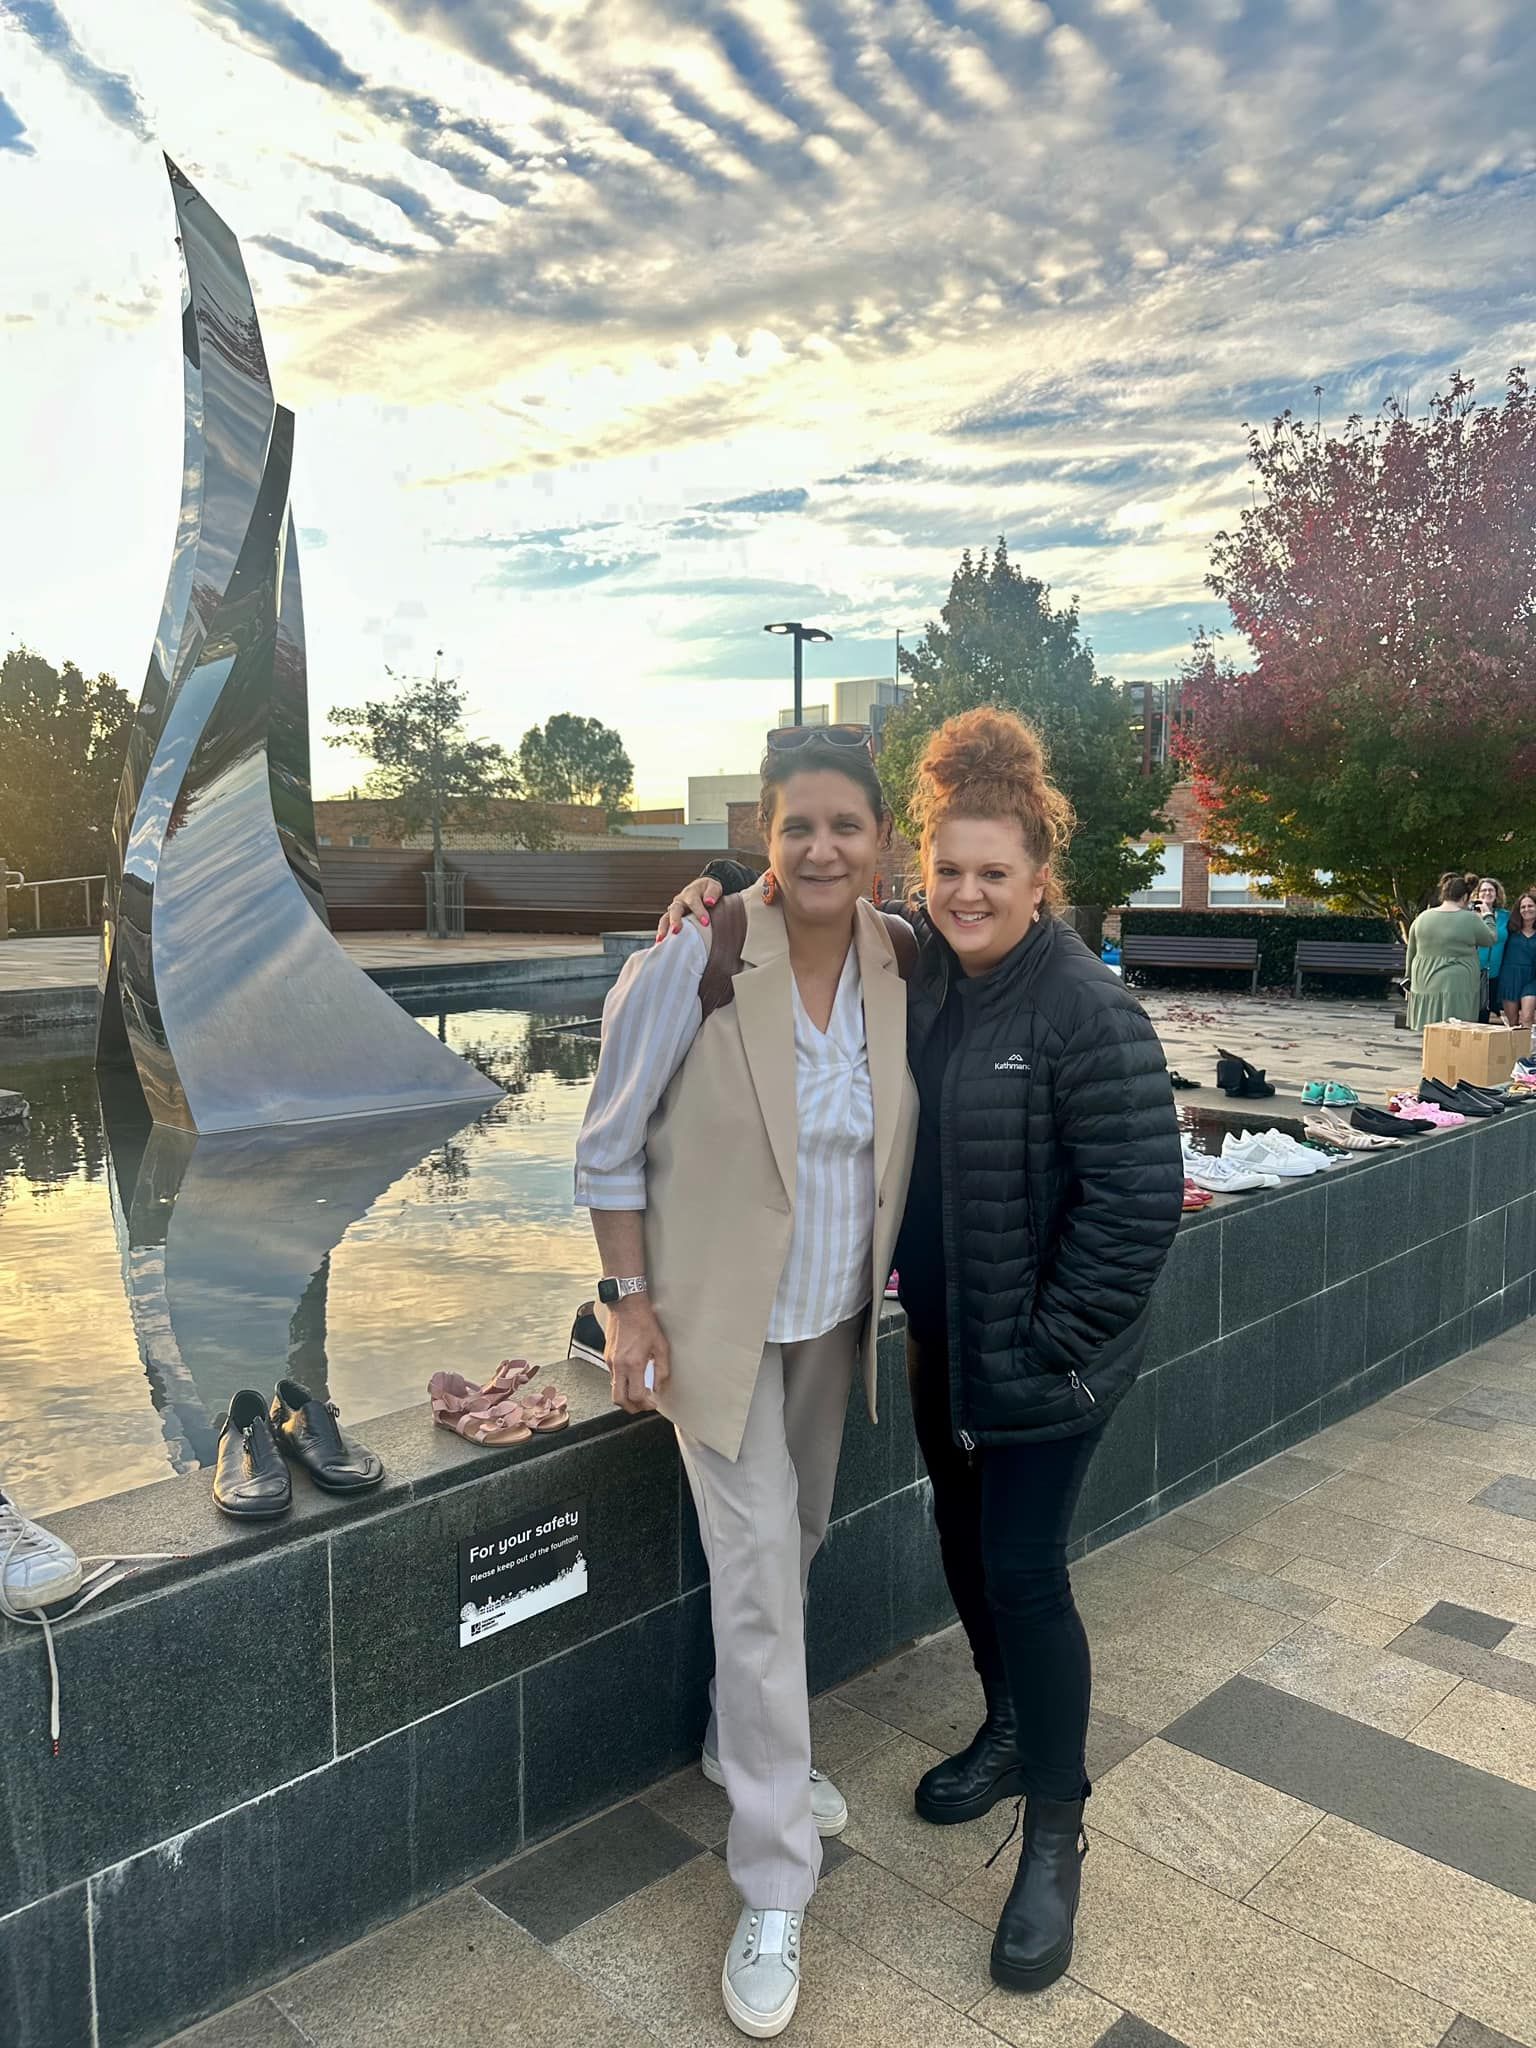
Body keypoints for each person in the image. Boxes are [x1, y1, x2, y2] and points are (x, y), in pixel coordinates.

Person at [656, 708, 1184, 1996]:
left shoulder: (1085, 1007)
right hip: (949, 1340)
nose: (966, 891)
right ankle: (1006, 1725)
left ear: (1039, 878)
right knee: (962, 1538)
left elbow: (1136, 1204)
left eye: (992, 873)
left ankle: (1053, 1829)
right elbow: (811, 899)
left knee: (1023, 1569)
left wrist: (1051, 1346)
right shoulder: (926, 969)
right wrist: (728, 884)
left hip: (1050, 1361)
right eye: (949, 870)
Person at [575, 726, 917, 2040]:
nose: (824, 847)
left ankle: (738, 1743)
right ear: (763, 842)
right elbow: (607, 1146)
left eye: (847, 825)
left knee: (801, 1539)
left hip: (834, 1321)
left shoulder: (899, 961)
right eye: (799, 827)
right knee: (765, 1578)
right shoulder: (700, 955)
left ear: (881, 839)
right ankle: (774, 1877)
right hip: (715, 1327)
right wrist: (628, 1304)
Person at [1406, 874, 1491, 1029]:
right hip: (1459, 985)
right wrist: (1488, 916)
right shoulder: (1469, 919)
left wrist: (1408, 979)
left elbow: (1411, 952)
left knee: (1429, 1030)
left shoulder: (1422, 918)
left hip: (1424, 981)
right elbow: (1490, 939)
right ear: (1465, 896)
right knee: (1457, 1032)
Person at [1497, 889, 1536, 1029]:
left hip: (1532, 979)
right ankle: (1515, 1050)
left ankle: (1526, 1051)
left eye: (1530, 906)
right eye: (1523, 907)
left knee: (1527, 1017)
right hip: (1510, 978)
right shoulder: (1510, 929)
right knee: (1512, 1023)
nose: (1526, 909)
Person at [1474, 876, 1509, 1020]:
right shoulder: (1471, 915)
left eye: (1491, 890)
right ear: (1477, 894)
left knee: (1485, 1013)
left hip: (1495, 972)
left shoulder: (1505, 916)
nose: (1487, 893)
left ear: (1496, 894)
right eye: (1483, 890)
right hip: (1473, 970)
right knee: (1472, 1012)